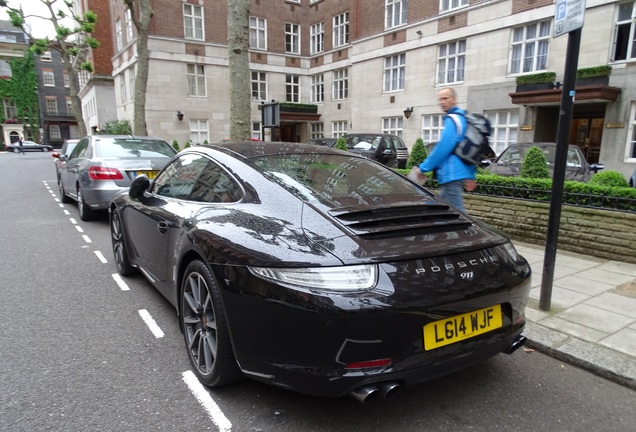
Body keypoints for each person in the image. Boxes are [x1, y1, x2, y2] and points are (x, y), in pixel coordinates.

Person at [414, 88, 476, 212]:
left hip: (452, 175)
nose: (442, 102)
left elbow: (443, 147)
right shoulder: (462, 118)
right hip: (454, 175)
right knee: (438, 209)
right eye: (440, 99)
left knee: (457, 214)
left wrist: (423, 168)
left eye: (445, 98)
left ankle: (470, 232)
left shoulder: (453, 119)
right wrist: (470, 175)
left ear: (454, 99)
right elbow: (468, 148)